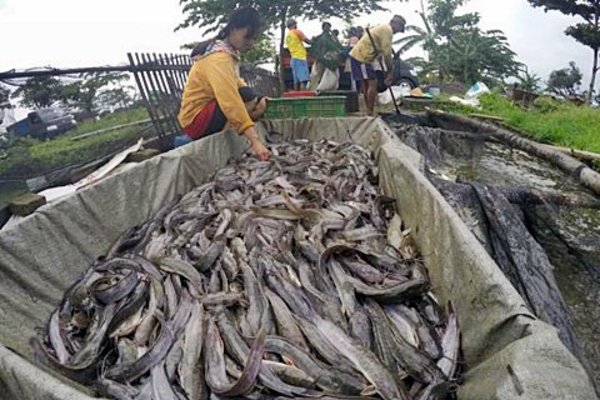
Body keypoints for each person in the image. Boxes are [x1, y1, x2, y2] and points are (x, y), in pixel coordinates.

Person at [178, 7, 270, 161]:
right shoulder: (219, 58)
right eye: (247, 37)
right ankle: (224, 140)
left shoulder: (228, 53)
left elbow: (236, 82)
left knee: (254, 100)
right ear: (234, 29)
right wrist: (256, 141)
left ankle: (235, 130)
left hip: (210, 112)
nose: (251, 43)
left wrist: (258, 98)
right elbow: (229, 99)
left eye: (254, 38)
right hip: (195, 120)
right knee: (245, 100)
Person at [349, 15, 406, 116]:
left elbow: (384, 47)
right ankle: (370, 111)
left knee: (367, 83)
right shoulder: (387, 30)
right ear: (395, 24)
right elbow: (387, 53)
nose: (398, 32)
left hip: (360, 55)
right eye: (399, 29)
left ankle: (369, 111)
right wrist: (390, 71)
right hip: (362, 56)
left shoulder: (383, 28)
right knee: (372, 83)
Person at [285, 19, 312, 90]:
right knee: (303, 80)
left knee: (296, 81)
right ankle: (303, 97)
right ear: (294, 24)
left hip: (293, 59)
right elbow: (308, 42)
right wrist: (314, 40)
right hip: (300, 58)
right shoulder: (297, 32)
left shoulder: (288, 36)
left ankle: (296, 97)